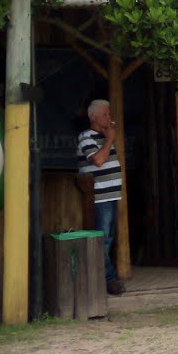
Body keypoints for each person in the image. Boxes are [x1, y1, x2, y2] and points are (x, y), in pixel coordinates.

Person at [77, 99, 125, 295]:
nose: (109, 118)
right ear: (94, 117)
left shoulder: (105, 136)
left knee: (109, 239)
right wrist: (110, 140)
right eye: (105, 114)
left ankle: (105, 278)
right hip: (99, 198)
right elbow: (98, 160)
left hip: (111, 195)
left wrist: (108, 138)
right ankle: (109, 280)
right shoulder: (86, 137)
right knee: (102, 240)